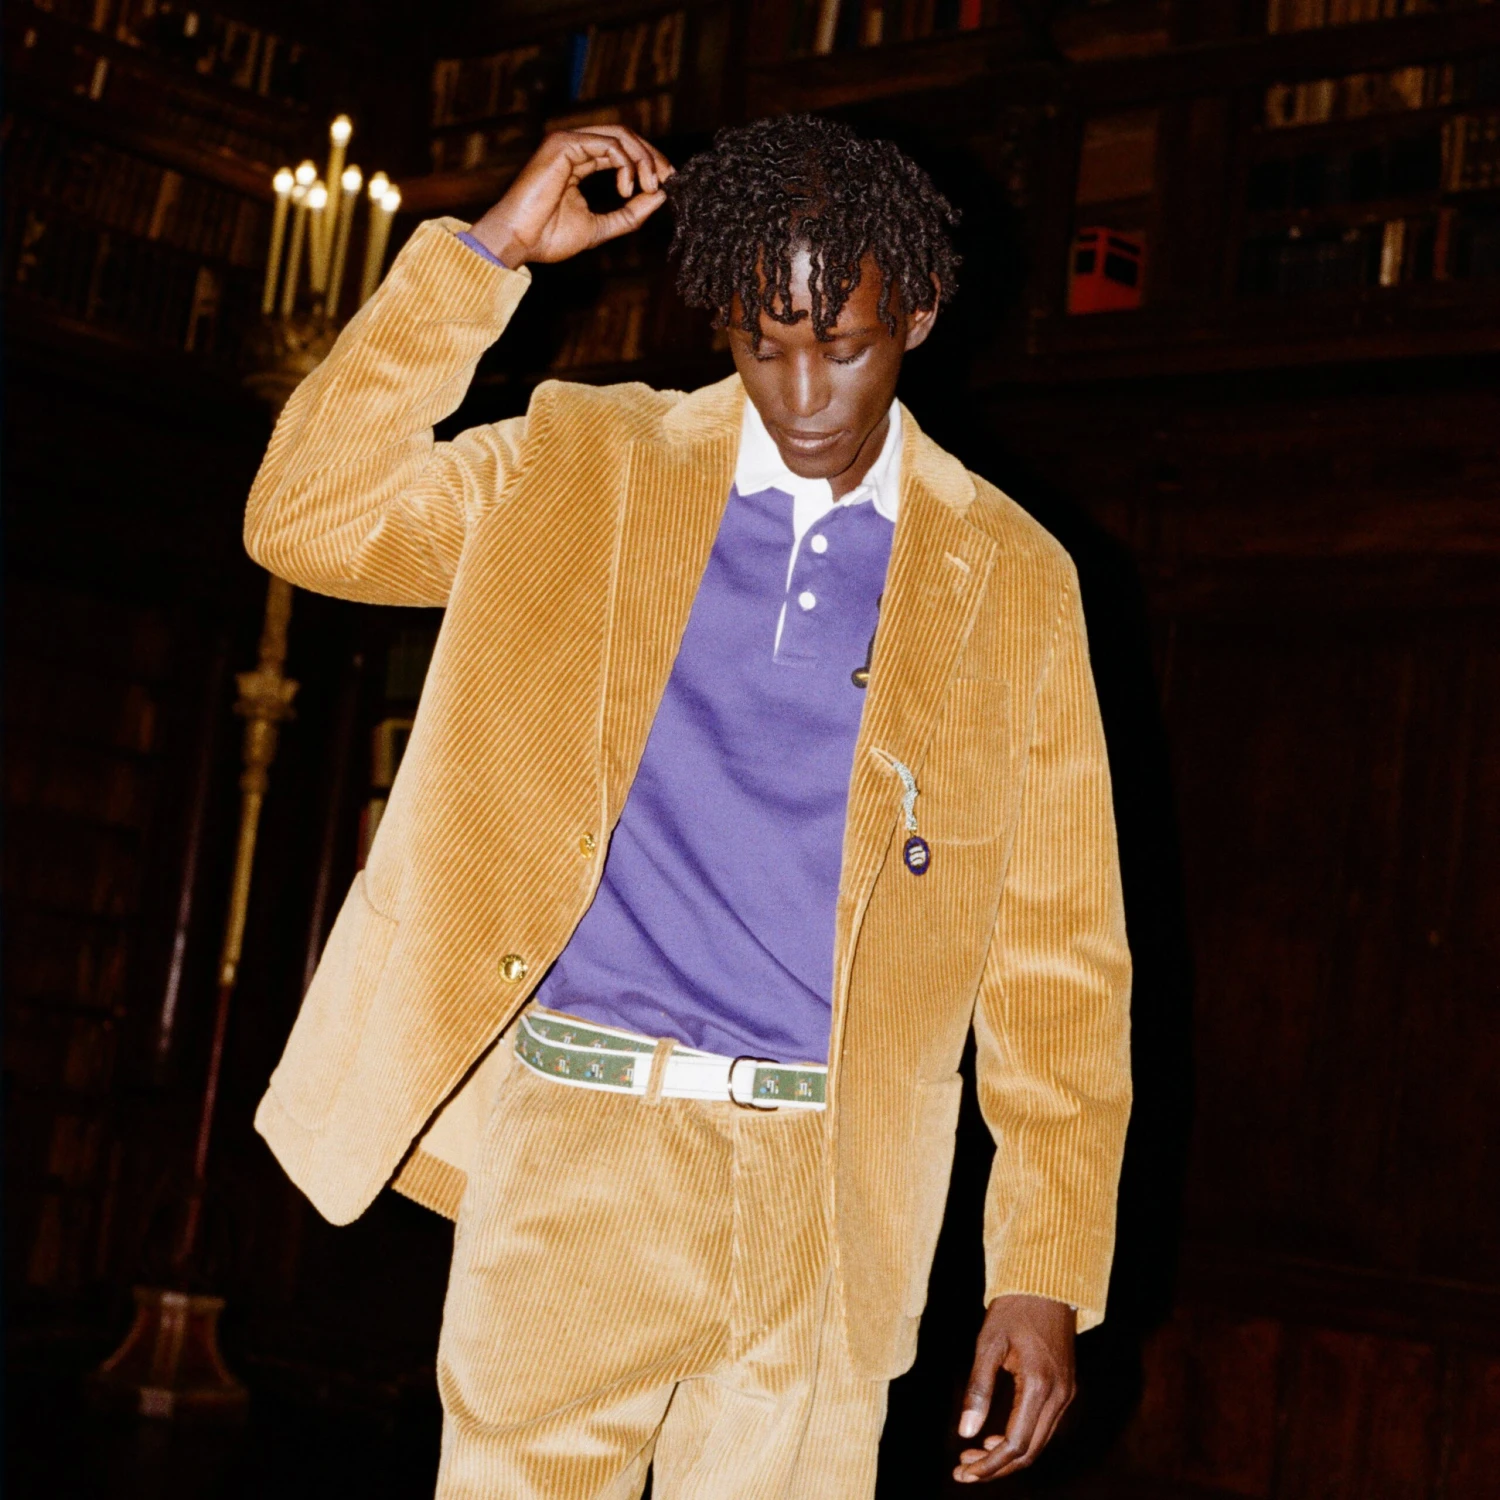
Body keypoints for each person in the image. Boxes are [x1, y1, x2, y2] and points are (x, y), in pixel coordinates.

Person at [246, 114, 1131, 1498]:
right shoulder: (578, 466)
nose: (804, 394)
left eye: (845, 347)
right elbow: (307, 516)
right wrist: (488, 255)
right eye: (763, 347)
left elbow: (1059, 952)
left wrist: (1046, 1267)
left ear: (919, 313)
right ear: (723, 323)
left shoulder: (1013, 577)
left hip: (831, 1194)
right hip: (580, 1145)